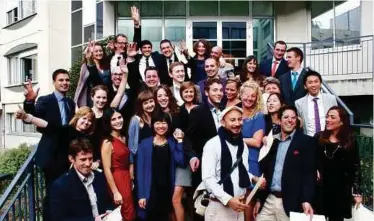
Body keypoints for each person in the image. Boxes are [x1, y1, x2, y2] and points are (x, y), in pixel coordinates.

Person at [22, 69, 75, 220]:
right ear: (54, 82)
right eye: (61, 80)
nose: (65, 83)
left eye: (67, 80)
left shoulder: (70, 103)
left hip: (67, 156)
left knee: (66, 193)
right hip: (51, 157)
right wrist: (30, 101)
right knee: (52, 194)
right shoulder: (46, 100)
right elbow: (32, 115)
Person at [254, 105, 316, 221]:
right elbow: (266, 172)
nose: (290, 120)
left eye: (293, 118)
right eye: (286, 117)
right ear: (279, 120)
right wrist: (259, 199)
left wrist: (306, 200)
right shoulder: (273, 141)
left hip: (291, 203)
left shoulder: (306, 142)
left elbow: (309, 174)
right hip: (268, 201)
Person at [202, 106, 261, 221]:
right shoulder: (212, 144)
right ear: (223, 122)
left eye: (239, 119)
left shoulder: (242, 145)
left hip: (238, 207)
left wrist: (254, 178)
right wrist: (228, 199)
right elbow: (208, 178)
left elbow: (240, 170)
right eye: (232, 120)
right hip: (219, 208)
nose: (237, 123)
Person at [314, 106, 362, 221]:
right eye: (327, 117)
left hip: (340, 190)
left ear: (341, 121)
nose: (328, 119)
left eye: (332, 117)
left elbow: (355, 166)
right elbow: (311, 160)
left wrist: (357, 192)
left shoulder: (350, 140)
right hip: (321, 188)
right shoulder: (318, 137)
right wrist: (314, 170)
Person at [136, 112, 185, 221]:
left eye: (164, 123)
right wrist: (141, 195)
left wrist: (180, 141)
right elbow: (140, 172)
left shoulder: (172, 142)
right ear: (153, 125)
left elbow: (181, 161)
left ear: (168, 125)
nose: (161, 126)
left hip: (167, 189)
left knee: (165, 216)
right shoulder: (144, 144)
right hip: (151, 188)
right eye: (157, 123)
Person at [49, 138, 112, 221]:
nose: (88, 163)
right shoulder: (61, 185)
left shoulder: (99, 177)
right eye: (83, 159)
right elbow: (59, 219)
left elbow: (107, 201)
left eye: (90, 159)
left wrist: (109, 211)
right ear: (71, 159)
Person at [186, 78, 224, 190]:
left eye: (221, 90)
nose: (219, 93)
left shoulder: (225, 110)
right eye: (215, 90)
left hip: (223, 163)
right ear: (207, 92)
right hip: (204, 162)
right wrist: (192, 157)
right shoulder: (197, 112)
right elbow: (188, 138)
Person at [101, 108, 136, 221]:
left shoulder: (124, 137)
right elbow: (106, 169)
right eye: (113, 119)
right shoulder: (107, 142)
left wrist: (131, 179)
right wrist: (115, 192)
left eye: (119, 117)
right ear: (108, 122)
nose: (118, 121)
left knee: (130, 209)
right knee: (125, 211)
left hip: (127, 177)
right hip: (117, 179)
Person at [239, 81, 265, 221]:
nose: (249, 98)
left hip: (251, 160)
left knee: (248, 199)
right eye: (246, 95)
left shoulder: (258, 116)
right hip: (236, 159)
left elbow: (256, 142)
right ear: (241, 95)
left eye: (253, 96)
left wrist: (236, 140)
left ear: (257, 98)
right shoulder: (235, 112)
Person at [295, 69, 337, 136]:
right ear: (305, 86)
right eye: (310, 82)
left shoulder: (331, 98)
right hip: (309, 139)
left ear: (320, 84)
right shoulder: (299, 103)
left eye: (316, 81)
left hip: (328, 137)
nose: (313, 85)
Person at [128, 90, 156, 177]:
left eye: (151, 101)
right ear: (141, 105)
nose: (149, 105)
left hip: (154, 159)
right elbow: (130, 145)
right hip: (141, 161)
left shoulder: (156, 117)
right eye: (145, 103)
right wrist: (131, 165)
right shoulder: (136, 120)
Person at [75, 41, 111, 107]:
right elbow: (81, 84)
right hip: (92, 100)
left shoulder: (107, 65)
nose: (99, 53)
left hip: (107, 98)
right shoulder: (86, 66)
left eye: (100, 51)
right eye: (96, 51)